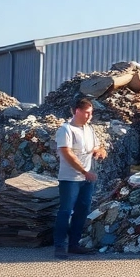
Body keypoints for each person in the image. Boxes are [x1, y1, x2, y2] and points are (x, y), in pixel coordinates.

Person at [54, 97, 107, 259]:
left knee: (82, 211)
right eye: (87, 113)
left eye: (91, 113)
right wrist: (84, 171)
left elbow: (97, 146)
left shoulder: (89, 129)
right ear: (77, 111)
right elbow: (67, 153)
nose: (89, 117)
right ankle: (59, 246)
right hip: (70, 179)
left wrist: (100, 151)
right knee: (65, 211)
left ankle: (74, 244)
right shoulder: (66, 130)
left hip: (86, 180)